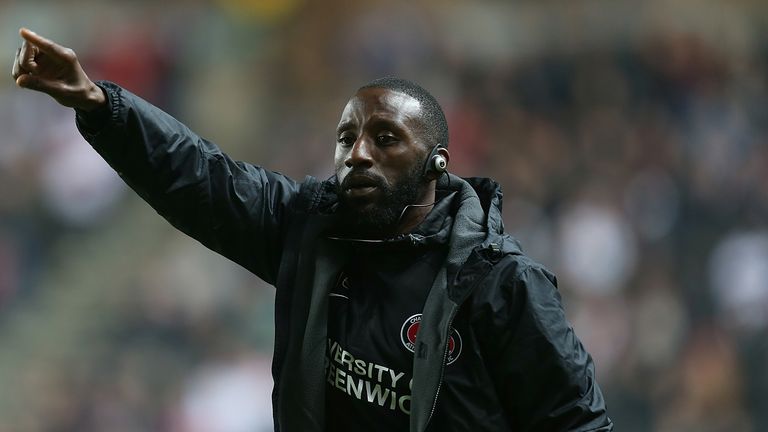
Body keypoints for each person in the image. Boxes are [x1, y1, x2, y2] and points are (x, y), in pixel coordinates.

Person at [12, 28, 613, 432]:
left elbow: (578, 422)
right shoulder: (307, 228)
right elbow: (200, 176)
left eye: (385, 139)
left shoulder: (502, 285)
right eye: (347, 137)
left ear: (437, 165)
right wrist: (96, 103)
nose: (357, 154)